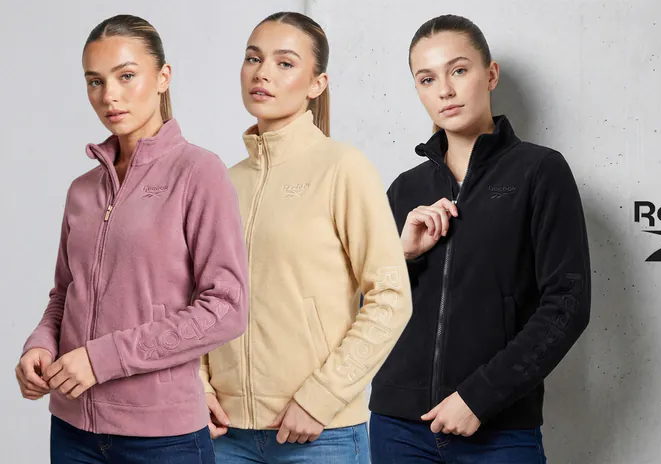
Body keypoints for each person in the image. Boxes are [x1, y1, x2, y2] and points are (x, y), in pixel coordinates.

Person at [14, 14, 249, 463]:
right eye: (95, 81)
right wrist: (41, 343)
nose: (109, 96)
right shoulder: (83, 190)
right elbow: (64, 294)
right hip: (72, 431)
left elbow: (226, 308)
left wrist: (102, 359)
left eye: (126, 76)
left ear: (163, 77)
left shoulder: (199, 173)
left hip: (163, 438)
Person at [368, 14, 592, 464]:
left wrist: (480, 396)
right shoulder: (405, 189)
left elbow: (567, 304)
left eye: (458, 70)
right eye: (427, 79)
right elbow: (366, 312)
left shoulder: (539, 172)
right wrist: (401, 255)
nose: (445, 90)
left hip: (498, 430)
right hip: (398, 430)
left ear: (490, 75)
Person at [202, 12, 412, 464]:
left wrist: (321, 397)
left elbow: (391, 296)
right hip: (224, 434)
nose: (262, 73)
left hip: (320, 436)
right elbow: (197, 297)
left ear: (317, 84)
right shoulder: (221, 182)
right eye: (253, 58)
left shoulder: (343, 168)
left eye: (284, 63)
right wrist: (196, 387)